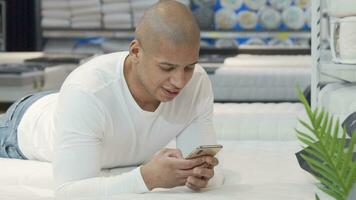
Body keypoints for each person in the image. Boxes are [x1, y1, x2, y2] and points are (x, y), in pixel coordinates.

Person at [0, 0, 223, 198]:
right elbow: (68, 190)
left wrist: (200, 174)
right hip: (21, 127)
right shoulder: (88, 90)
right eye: (167, 68)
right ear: (136, 52)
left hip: (71, 106)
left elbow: (201, 162)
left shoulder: (197, 83)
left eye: (189, 67)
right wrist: (147, 179)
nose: (180, 81)